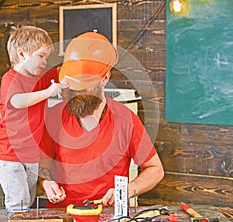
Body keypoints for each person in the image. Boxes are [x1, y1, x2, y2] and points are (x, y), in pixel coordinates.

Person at [38, 32, 164, 208]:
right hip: (62, 215)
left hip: (108, 215)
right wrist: (46, 183)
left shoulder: (126, 120)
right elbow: (42, 167)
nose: (76, 93)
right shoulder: (54, 117)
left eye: (83, 87)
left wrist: (128, 190)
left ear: (105, 78)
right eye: (72, 87)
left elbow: (155, 169)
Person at [0, 25, 68, 210]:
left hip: (31, 153)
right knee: (19, 203)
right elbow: (17, 101)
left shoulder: (37, 78)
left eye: (46, 57)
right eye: (41, 56)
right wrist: (48, 92)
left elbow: (62, 71)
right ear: (23, 55)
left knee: (28, 200)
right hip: (10, 152)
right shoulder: (10, 79)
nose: (44, 62)